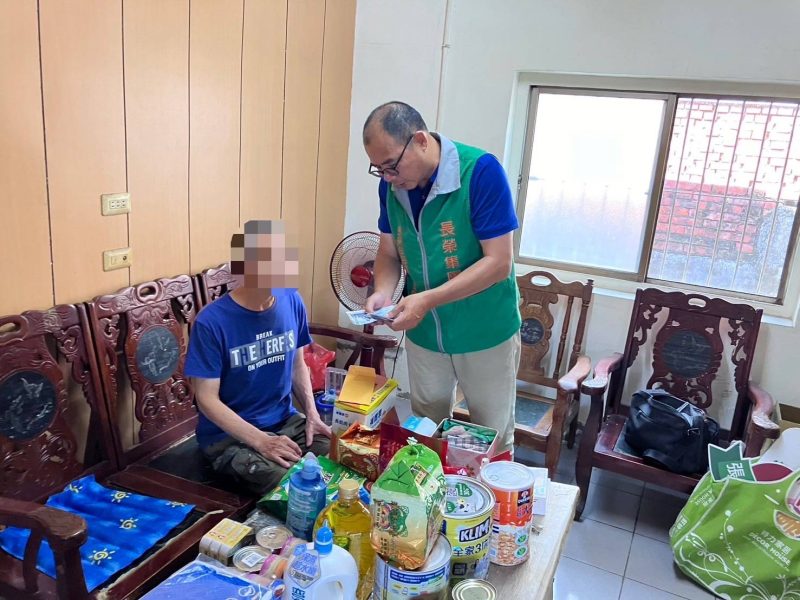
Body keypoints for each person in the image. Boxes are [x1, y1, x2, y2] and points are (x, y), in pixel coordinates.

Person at [363, 101, 522, 455]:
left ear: (420, 140)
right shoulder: (390, 187)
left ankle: (487, 508)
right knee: (425, 430)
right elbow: (388, 252)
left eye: (391, 166)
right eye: (379, 170)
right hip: (425, 332)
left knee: (491, 435)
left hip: (485, 331)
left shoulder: (480, 172)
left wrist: (426, 299)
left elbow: (499, 263)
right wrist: (383, 293)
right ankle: (428, 503)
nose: (388, 178)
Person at [185, 220, 331, 495]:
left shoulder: (291, 300)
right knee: (298, 489)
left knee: (342, 458)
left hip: (285, 422)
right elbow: (206, 398)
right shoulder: (211, 322)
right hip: (229, 439)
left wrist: (312, 413)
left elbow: (297, 364)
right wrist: (261, 441)